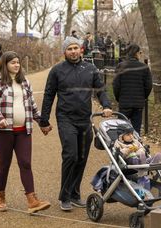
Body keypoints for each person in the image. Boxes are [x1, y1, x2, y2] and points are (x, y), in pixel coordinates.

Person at [39, 36, 113, 211]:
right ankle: (64, 196)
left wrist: (107, 105)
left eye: (75, 48)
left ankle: (74, 193)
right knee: (71, 155)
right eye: (69, 48)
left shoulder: (91, 69)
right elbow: (49, 95)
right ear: (64, 51)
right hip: (66, 119)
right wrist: (44, 119)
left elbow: (100, 90)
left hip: (85, 119)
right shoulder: (57, 70)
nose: (73, 51)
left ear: (81, 49)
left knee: (81, 157)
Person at [0, 51, 51, 213]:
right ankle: (1, 196)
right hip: (3, 132)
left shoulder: (25, 82)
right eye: (13, 62)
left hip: (24, 130)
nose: (16, 65)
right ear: (5, 64)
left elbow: (32, 105)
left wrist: (41, 122)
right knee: (4, 164)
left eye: (18, 62)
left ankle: (32, 200)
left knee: (25, 163)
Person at [112, 43, 152, 135]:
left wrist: (119, 98)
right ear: (136, 53)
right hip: (138, 103)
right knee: (136, 130)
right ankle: (135, 148)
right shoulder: (144, 67)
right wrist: (143, 97)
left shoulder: (121, 66)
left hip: (124, 102)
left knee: (122, 129)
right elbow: (148, 86)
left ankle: (121, 147)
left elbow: (116, 85)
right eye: (140, 52)